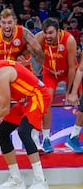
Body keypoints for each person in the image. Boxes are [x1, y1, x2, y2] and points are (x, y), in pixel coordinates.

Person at [0, 50, 49, 189]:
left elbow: (4, 110)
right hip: (24, 100)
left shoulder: (2, 73)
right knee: (1, 133)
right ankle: (17, 180)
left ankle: (41, 181)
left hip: (38, 95)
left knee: (24, 132)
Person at [0, 8, 45, 155]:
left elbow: (41, 57)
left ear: (15, 22)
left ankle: (36, 140)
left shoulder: (24, 33)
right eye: (3, 22)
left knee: (31, 106)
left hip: (22, 76)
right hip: (1, 76)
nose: (7, 26)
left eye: (9, 22)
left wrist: (29, 53)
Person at [35, 17, 78, 153]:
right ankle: (46, 139)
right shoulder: (39, 38)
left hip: (67, 72)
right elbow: (27, 51)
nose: (47, 36)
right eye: (45, 33)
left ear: (58, 31)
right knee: (46, 100)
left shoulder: (69, 40)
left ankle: (74, 136)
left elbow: (72, 68)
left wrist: (70, 91)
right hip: (49, 73)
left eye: (51, 33)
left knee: (80, 99)